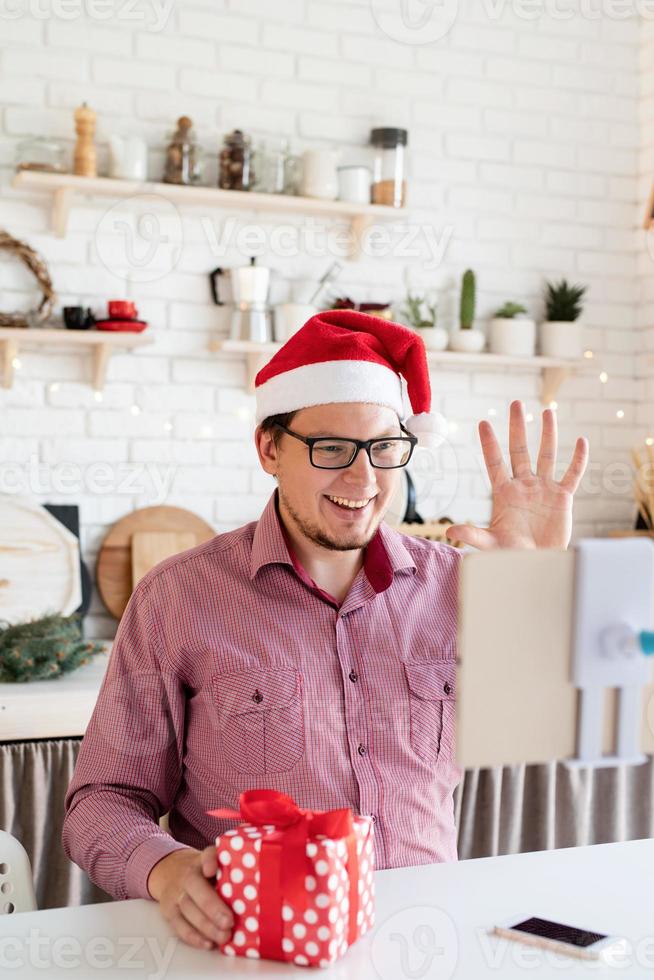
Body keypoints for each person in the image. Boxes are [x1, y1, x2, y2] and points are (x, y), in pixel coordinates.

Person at [63, 310, 589, 952]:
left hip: (430, 945)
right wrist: (165, 869)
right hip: (257, 951)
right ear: (269, 449)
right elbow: (102, 800)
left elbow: (553, 732)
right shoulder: (178, 599)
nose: (363, 480)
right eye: (331, 448)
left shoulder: (460, 585)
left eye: (383, 448)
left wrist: (538, 585)